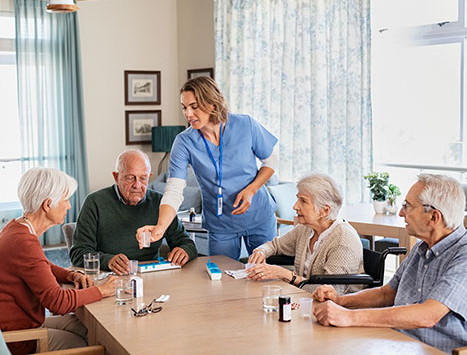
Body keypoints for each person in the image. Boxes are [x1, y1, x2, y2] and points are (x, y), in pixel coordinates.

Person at [312, 174, 467, 354]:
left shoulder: (463, 254)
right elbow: (386, 294)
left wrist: (349, 317)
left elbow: (428, 315)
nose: (401, 213)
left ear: (434, 217)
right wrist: (342, 301)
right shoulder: (421, 248)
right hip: (397, 341)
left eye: (407, 206)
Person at [137, 77, 278, 260]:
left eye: (194, 106)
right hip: (220, 225)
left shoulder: (245, 125)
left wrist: (251, 190)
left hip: (259, 217)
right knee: (222, 280)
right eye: (184, 107)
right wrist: (160, 227)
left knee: (265, 277)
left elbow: (271, 160)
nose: (188, 114)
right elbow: (174, 190)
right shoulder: (184, 142)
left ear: (212, 104)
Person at [0, 168, 117, 355]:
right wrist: (101, 290)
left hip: (13, 323)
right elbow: (58, 303)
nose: (69, 206)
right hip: (13, 339)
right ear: (48, 204)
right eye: (66, 200)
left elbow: (42, 265)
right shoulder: (23, 241)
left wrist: (70, 274)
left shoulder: (17, 228)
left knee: (86, 328)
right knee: (92, 346)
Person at [69, 150, 197, 274]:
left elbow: (187, 243)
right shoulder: (94, 202)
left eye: (143, 178)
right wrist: (107, 261)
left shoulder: (161, 203)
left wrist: (184, 251)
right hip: (109, 276)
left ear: (149, 177)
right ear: (116, 176)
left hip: (150, 275)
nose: (137, 185)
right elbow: (78, 253)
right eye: (130, 178)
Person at [246, 174, 364, 294]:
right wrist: (261, 251)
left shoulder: (343, 239)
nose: (295, 206)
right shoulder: (305, 229)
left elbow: (331, 293)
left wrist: (287, 276)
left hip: (337, 308)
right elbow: (275, 245)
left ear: (325, 210)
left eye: (303, 201)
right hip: (304, 300)